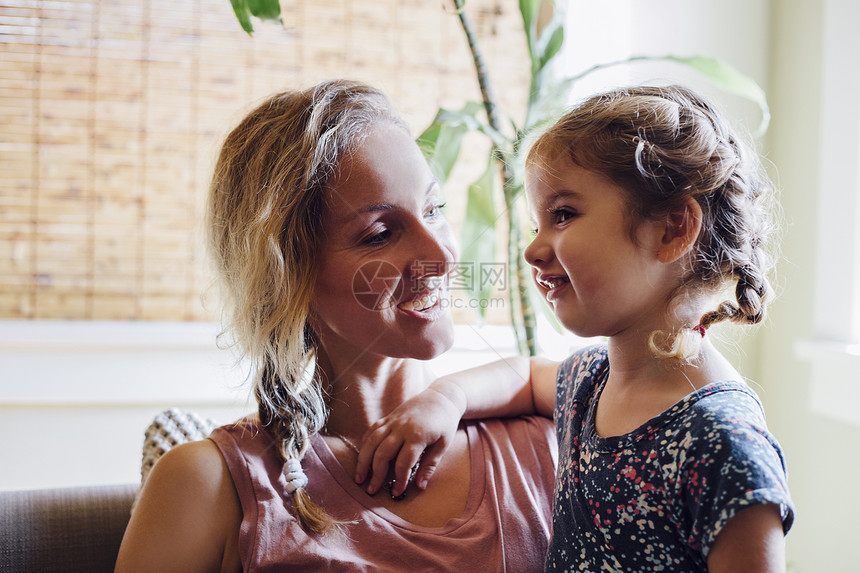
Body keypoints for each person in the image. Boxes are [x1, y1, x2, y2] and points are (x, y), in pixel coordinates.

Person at [114, 80, 558, 572]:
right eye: (381, 234)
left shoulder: (544, 439)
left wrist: (451, 396)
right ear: (289, 277)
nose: (442, 255)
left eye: (435, 210)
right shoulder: (208, 484)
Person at [356, 85, 796, 572]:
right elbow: (525, 378)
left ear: (673, 228)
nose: (533, 250)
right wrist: (445, 399)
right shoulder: (589, 383)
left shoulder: (723, 441)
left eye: (563, 215)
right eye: (535, 225)